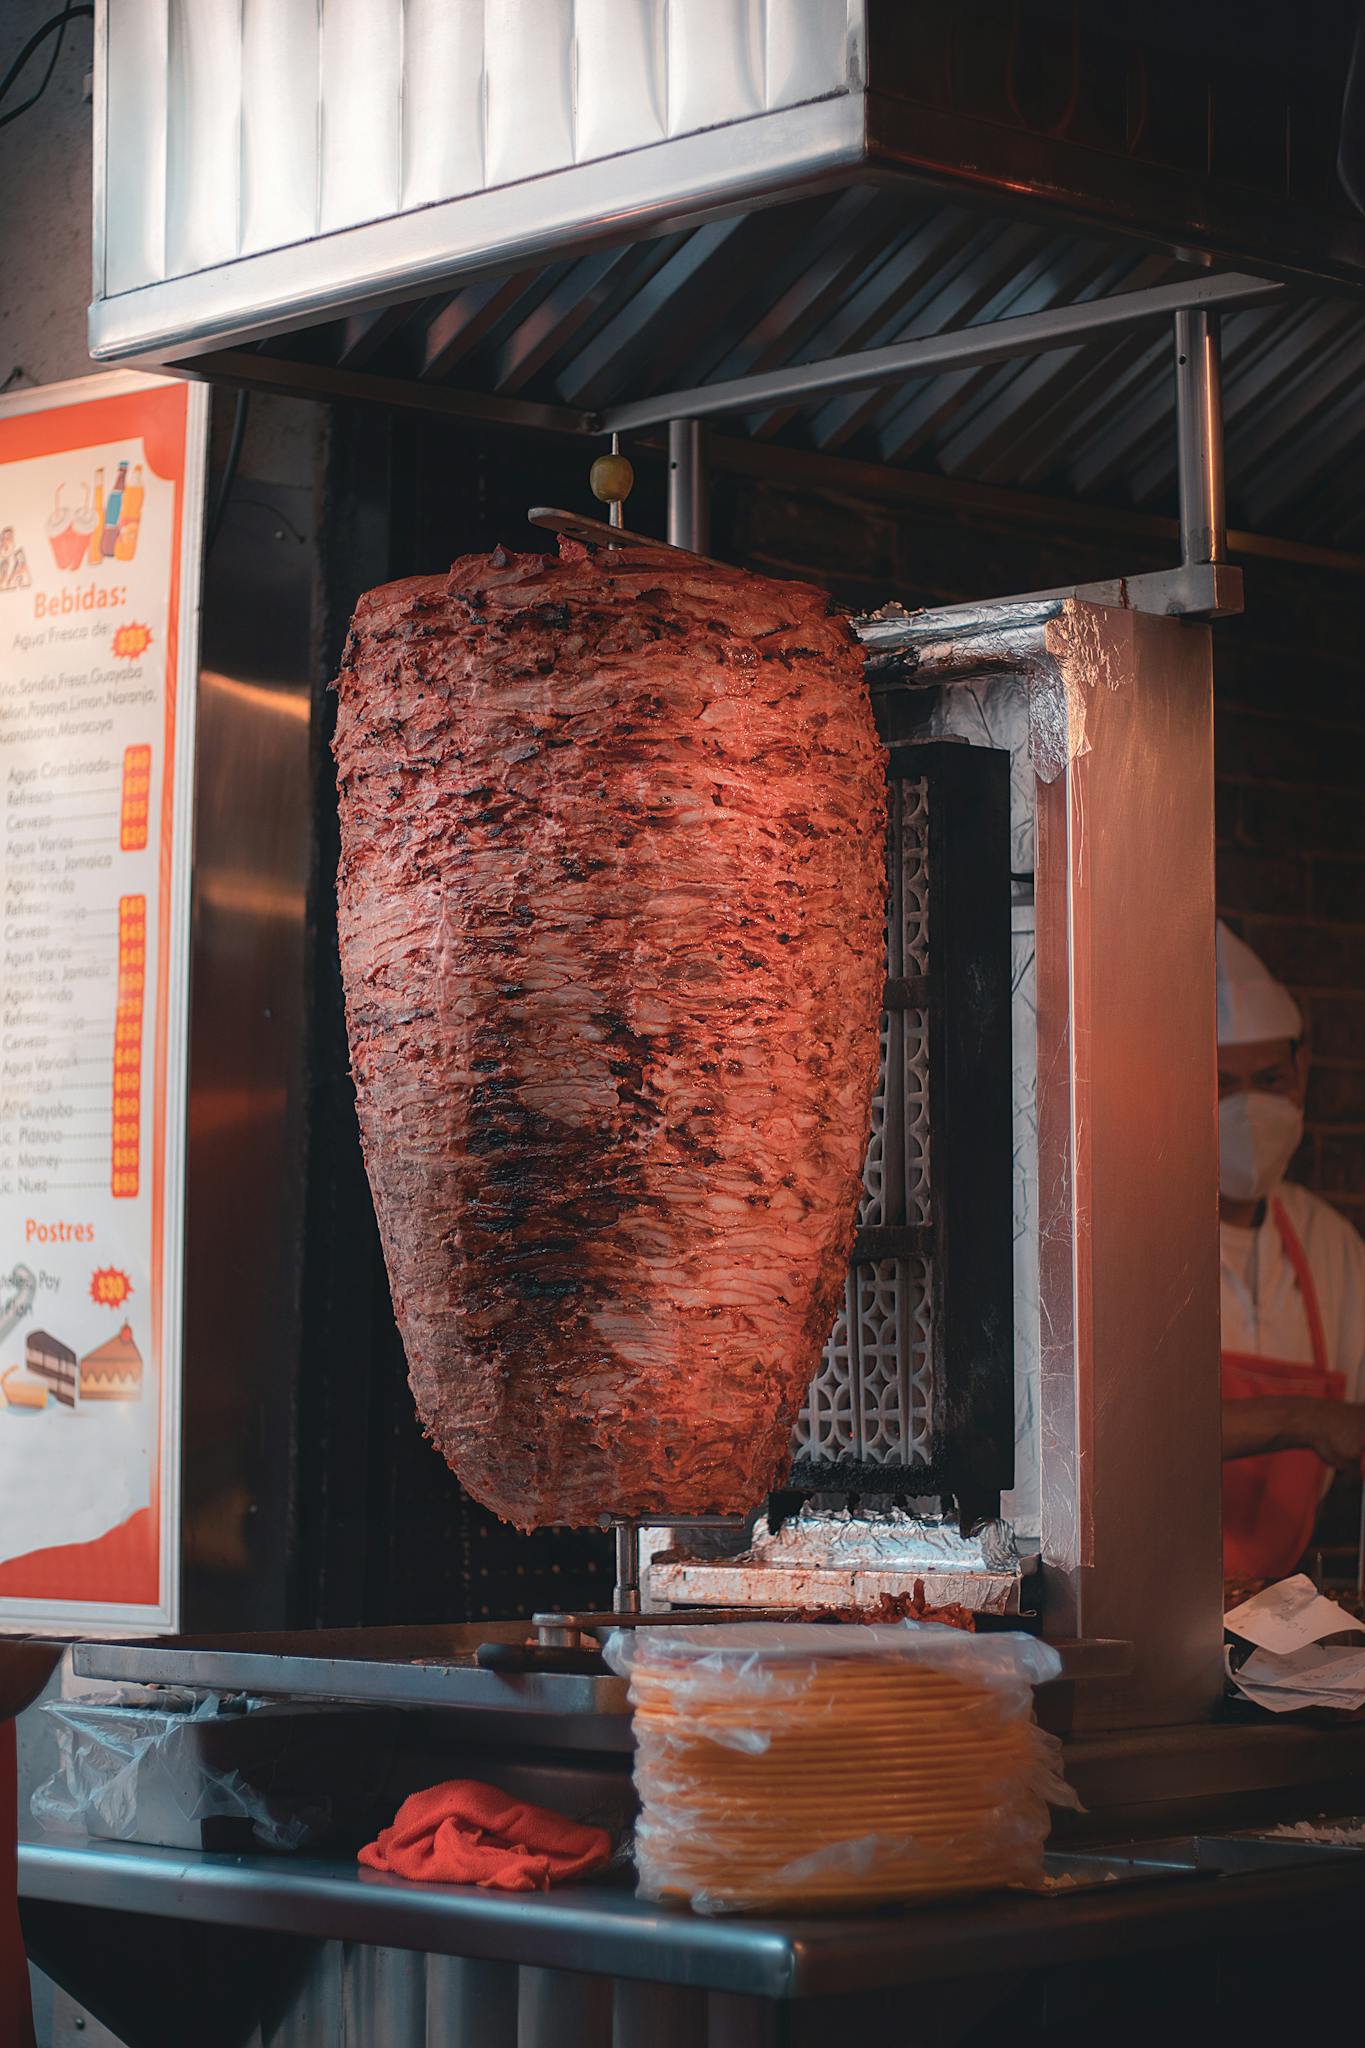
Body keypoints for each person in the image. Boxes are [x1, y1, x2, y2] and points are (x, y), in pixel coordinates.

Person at [1218, 921, 1365, 1579]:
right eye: (1222, 1084)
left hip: (1279, 1607)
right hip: (1144, 1605)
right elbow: (1132, 1438)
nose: (1248, 1109)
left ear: (1301, 1072)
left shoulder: (1331, 1249)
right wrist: (1306, 1417)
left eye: (1269, 1078)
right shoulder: (1135, 1251)